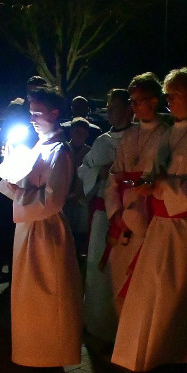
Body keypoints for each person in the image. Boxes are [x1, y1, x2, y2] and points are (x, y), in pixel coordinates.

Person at [111, 68, 187, 372]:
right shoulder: (171, 132)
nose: (168, 101)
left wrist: (159, 186)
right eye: (166, 95)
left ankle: (168, 355)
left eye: (174, 95)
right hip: (159, 224)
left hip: (180, 228)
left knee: (170, 293)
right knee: (149, 291)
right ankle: (142, 352)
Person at [0, 86, 83, 367]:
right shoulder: (38, 145)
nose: (32, 119)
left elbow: (53, 200)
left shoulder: (61, 150)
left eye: (37, 113)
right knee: (27, 295)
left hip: (46, 231)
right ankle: (30, 353)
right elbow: (22, 185)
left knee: (48, 293)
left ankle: (51, 355)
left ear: (54, 114)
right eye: (30, 113)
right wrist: (10, 166)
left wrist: (18, 191)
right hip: (27, 228)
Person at [103, 73, 170, 314]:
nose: (133, 106)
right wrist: (115, 214)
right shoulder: (129, 135)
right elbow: (113, 179)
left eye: (138, 100)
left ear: (154, 101)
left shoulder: (166, 134)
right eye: (131, 101)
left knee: (142, 289)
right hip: (124, 221)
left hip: (149, 218)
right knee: (118, 282)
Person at [78, 88, 132, 342]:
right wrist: (99, 172)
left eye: (114, 106)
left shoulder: (138, 137)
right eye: (108, 107)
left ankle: (120, 329)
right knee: (97, 268)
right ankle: (97, 324)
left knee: (121, 270)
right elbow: (83, 170)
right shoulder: (102, 140)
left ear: (128, 109)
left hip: (128, 216)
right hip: (101, 215)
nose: (109, 111)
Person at [63, 117, 93, 255]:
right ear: (71, 132)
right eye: (76, 132)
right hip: (63, 199)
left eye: (82, 132)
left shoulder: (90, 153)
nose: (78, 135)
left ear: (87, 134)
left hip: (82, 200)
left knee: (80, 235)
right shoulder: (63, 150)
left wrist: (78, 193)